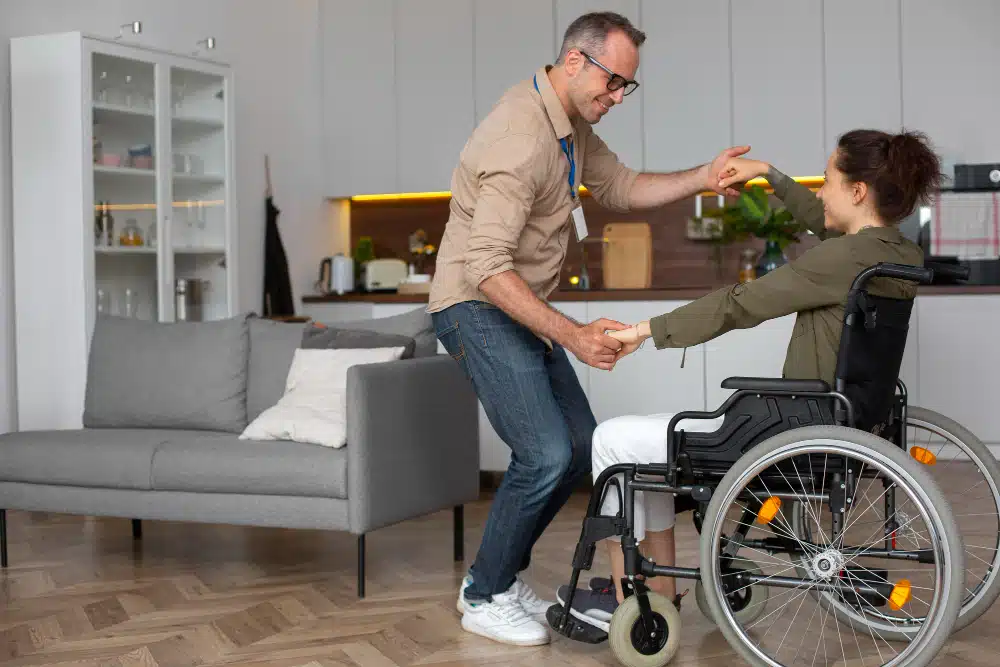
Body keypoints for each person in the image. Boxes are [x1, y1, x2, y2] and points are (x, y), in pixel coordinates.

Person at [426, 11, 748, 646]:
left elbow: (621, 187)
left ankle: (498, 574)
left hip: (518, 304)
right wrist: (571, 334)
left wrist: (703, 178)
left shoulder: (569, 124)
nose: (618, 96)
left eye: (628, 85)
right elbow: (484, 266)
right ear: (575, 61)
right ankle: (484, 594)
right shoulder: (518, 138)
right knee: (544, 452)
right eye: (613, 82)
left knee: (579, 448)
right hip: (475, 305)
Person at [555, 128, 944, 633]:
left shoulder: (842, 258)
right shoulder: (894, 253)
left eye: (827, 180)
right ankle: (661, 589)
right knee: (645, 445)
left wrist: (643, 332)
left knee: (613, 440)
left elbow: (739, 304)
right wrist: (768, 175)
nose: (820, 191)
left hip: (796, 427)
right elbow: (823, 221)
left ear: (857, 191)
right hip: (845, 420)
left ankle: (633, 601)